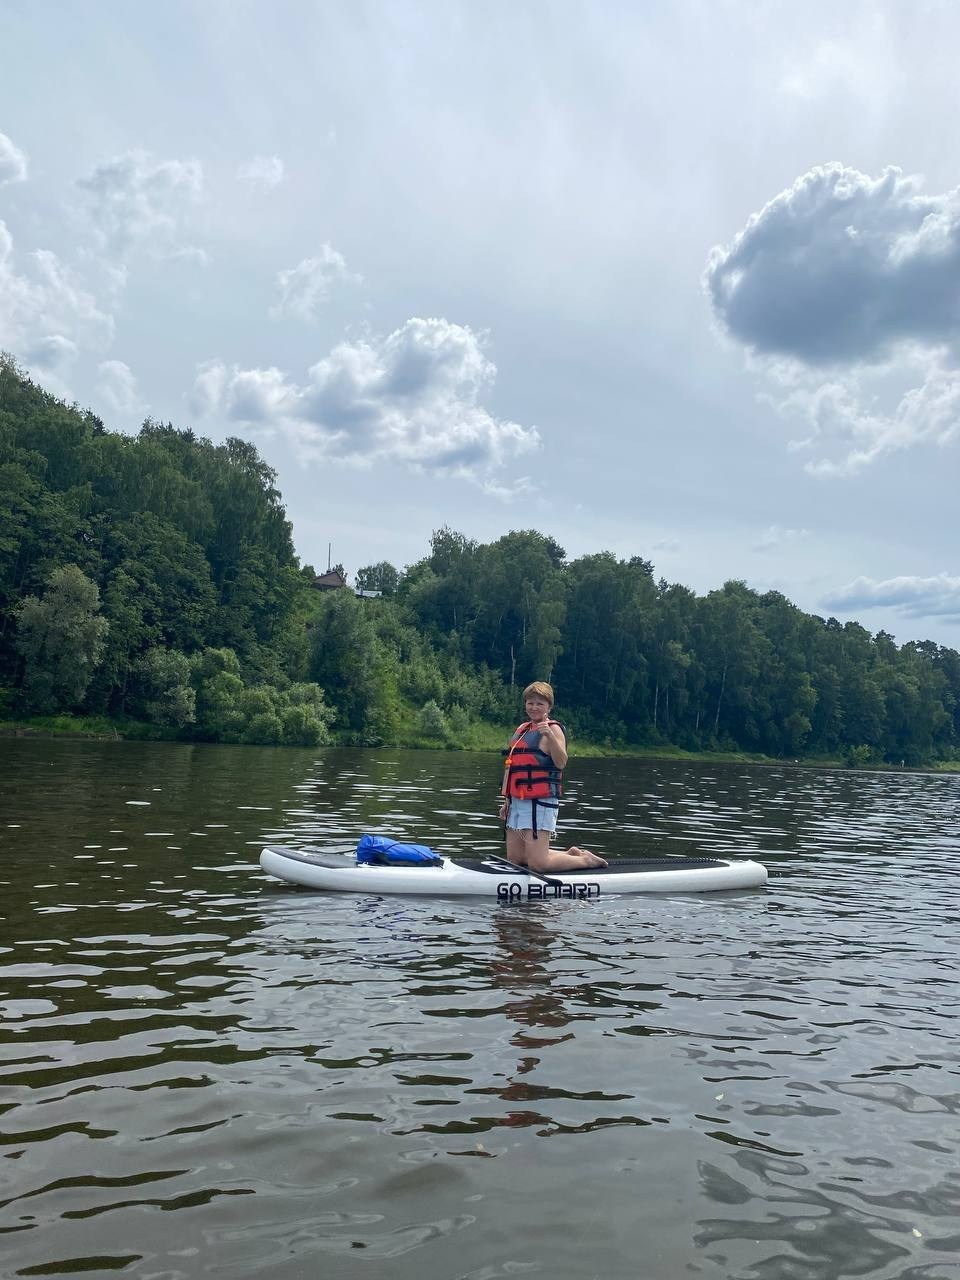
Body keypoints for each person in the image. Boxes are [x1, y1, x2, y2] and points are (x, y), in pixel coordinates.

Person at [499, 681, 606, 872]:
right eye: (530, 703)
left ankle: (586, 861)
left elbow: (561, 762)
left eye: (540, 703)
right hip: (517, 800)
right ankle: (569, 854)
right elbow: (511, 766)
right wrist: (507, 801)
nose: (534, 707)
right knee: (516, 858)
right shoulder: (522, 729)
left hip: (539, 801)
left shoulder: (553, 729)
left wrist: (550, 736)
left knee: (538, 864)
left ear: (549, 706)